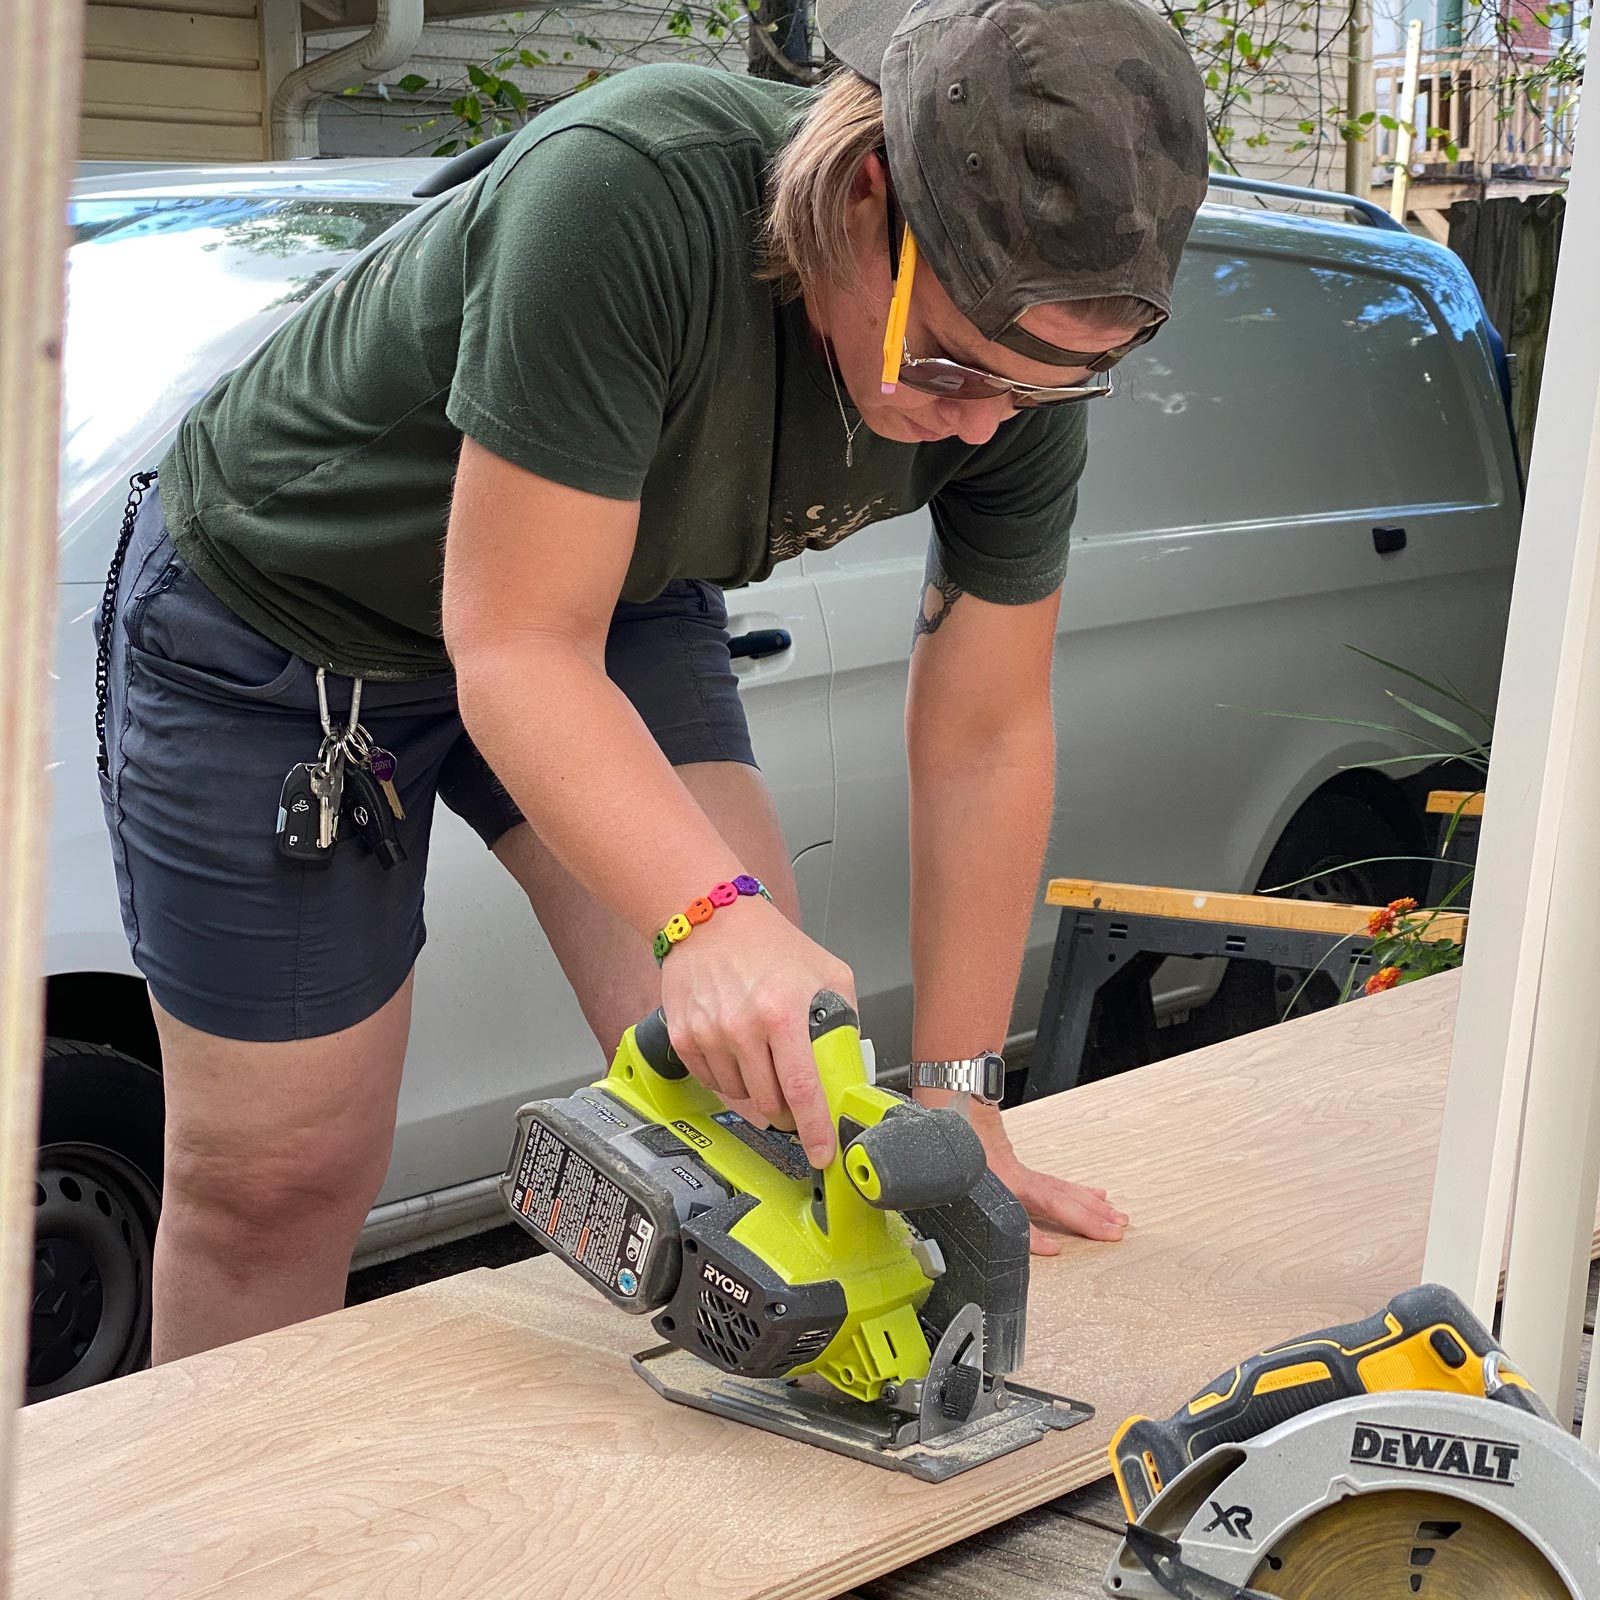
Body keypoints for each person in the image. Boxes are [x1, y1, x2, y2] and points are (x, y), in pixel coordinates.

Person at [94, 0, 1209, 1363]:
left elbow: (984, 728)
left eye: (1039, 393)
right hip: (284, 622)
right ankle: (231, 1546)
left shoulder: (1013, 371)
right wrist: (714, 916)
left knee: (783, 1082)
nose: (982, 422)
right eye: (951, 368)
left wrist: (964, 1092)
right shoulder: (633, 192)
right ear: (865, 194)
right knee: (283, 1175)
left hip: (597, 586)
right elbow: (511, 643)